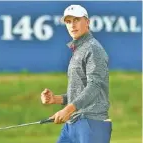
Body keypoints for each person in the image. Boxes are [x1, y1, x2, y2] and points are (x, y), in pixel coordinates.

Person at [40, 4, 112, 143]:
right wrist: (56, 99)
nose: (72, 25)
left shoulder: (93, 48)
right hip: (73, 124)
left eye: (76, 20)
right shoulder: (78, 50)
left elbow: (95, 87)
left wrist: (67, 110)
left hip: (92, 123)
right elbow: (80, 91)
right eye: (68, 21)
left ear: (87, 22)